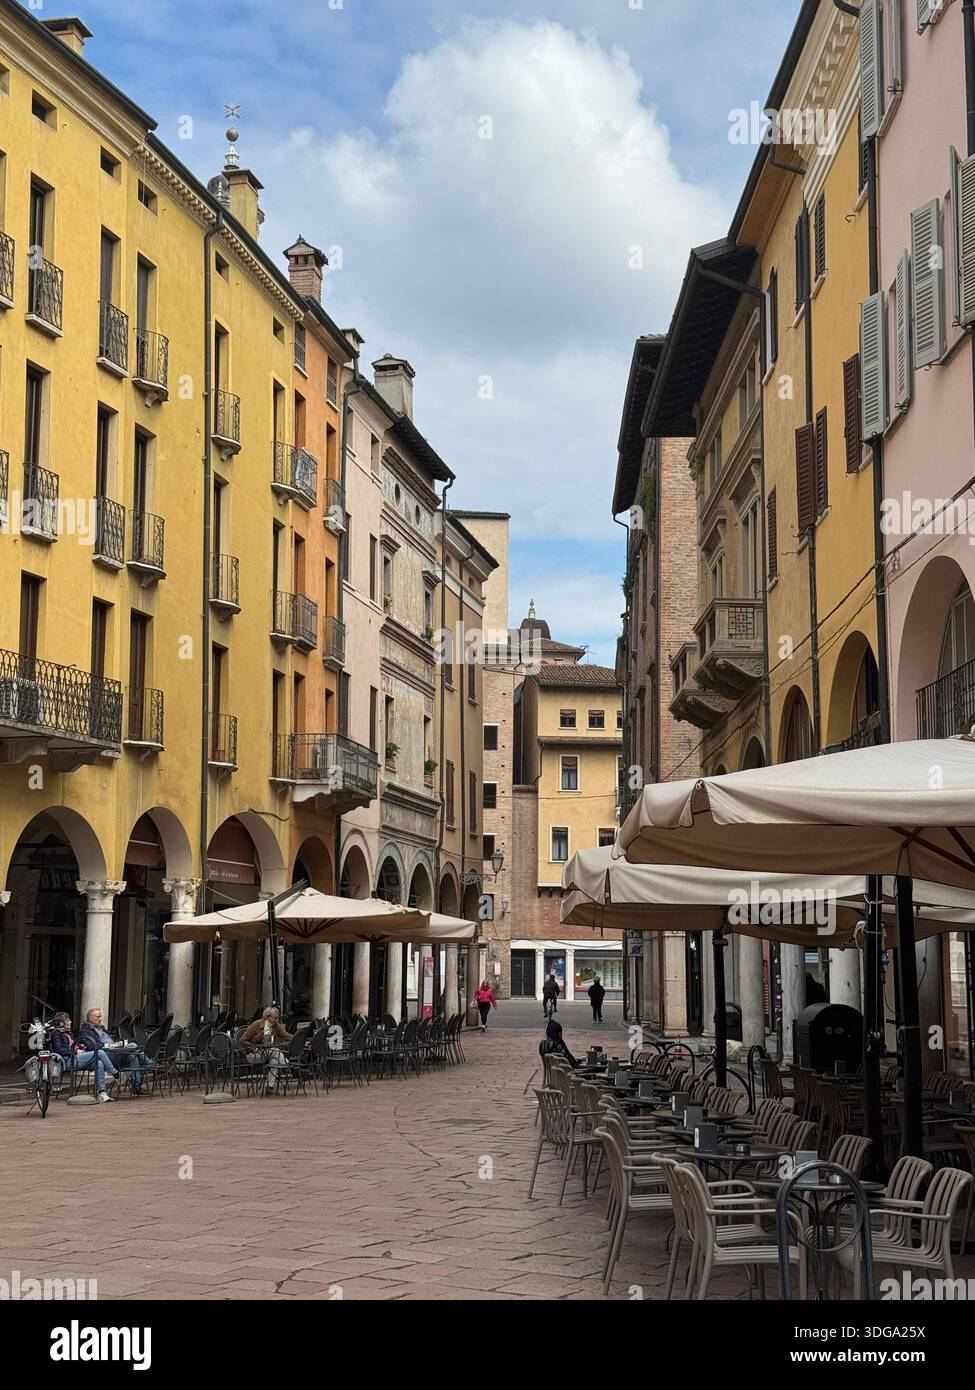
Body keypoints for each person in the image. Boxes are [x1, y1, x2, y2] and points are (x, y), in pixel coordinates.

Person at [79, 1007, 154, 1095]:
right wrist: (108, 1046)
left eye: (100, 1017)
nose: (100, 1019)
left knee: (132, 1057)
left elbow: (111, 1040)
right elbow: (91, 1046)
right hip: (106, 1055)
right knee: (132, 1046)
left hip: (114, 1052)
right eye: (97, 1017)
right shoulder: (86, 1031)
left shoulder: (102, 1028)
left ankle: (136, 1087)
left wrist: (117, 1043)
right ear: (90, 1018)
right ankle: (151, 1065)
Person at [50, 1013, 119, 1101]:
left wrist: (80, 1046)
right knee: (100, 1052)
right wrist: (75, 1051)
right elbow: (59, 1050)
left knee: (99, 1063)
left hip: (76, 1058)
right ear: (61, 1023)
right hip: (68, 1061)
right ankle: (114, 1073)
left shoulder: (69, 1033)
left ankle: (102, 1093)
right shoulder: (56, 1034)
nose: (70, 1022)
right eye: (67, 1020)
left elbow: (73, 1045)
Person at [241, 1006, 294, 1094]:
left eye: (278, 1018)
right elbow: (242, 1040)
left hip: (268, 1053)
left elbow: (286, 1035)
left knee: (275, 1060)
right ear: (268, 1017)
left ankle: (270, 1087)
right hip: (254, 1054)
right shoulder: (256, 1024)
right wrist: (253, 1047)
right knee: (275, 1051)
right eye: (275, 1018)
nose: (277, 1020)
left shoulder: (275, 1025)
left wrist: (299, 1038)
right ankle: (291, 1068)